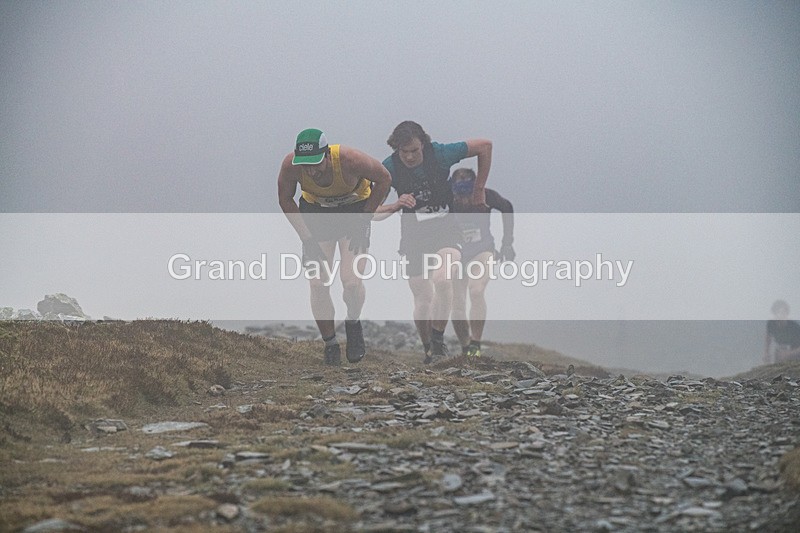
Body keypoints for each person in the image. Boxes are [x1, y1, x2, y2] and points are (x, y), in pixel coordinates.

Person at [376, 121, 492, 363]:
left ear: (424, 145)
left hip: (445, 230)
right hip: (414, 235)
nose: (409, 157)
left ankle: (438, 342)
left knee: (442, 278)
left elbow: (485, 146)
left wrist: (479, 188)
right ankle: (428, 348)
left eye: (414, 151)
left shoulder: (440, 153)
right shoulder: (389, 168)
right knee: (421, 295)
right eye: (403, 152)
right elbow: (372, 213)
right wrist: (396, 204)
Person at [278, 128, 391, 366]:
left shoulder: (351, 159)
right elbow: (285, 199)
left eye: (316, 164)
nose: (311, 171)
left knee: (350, 281)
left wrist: (365, 218)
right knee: (319, 283)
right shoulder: (290, 165)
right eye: (305, 165)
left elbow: (384, 179)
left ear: (327, 155)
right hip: (318, 217)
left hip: (354, 214)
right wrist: (306, 239)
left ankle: (353, 322)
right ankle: (330, 344)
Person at [449, 167, 514, 359]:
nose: (464, 200)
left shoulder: (486, 196)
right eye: (459, 195)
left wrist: (507, 243)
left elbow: (507, 207)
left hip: (482, 250)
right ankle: (465, 347)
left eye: (468, 194)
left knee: (476, 290)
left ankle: (476, 344)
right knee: (457, 303)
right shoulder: (448, 200)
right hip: (458, 253)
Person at [764, 300, 800, 364]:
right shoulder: (771, 324)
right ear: (774, 313)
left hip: (795, 354)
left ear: (787, 313)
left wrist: (788, 354)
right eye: (778, 312)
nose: (781, 315)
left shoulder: (795, 327)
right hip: (779, 352)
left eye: (783, 312)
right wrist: (766, 352)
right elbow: (768, 337)